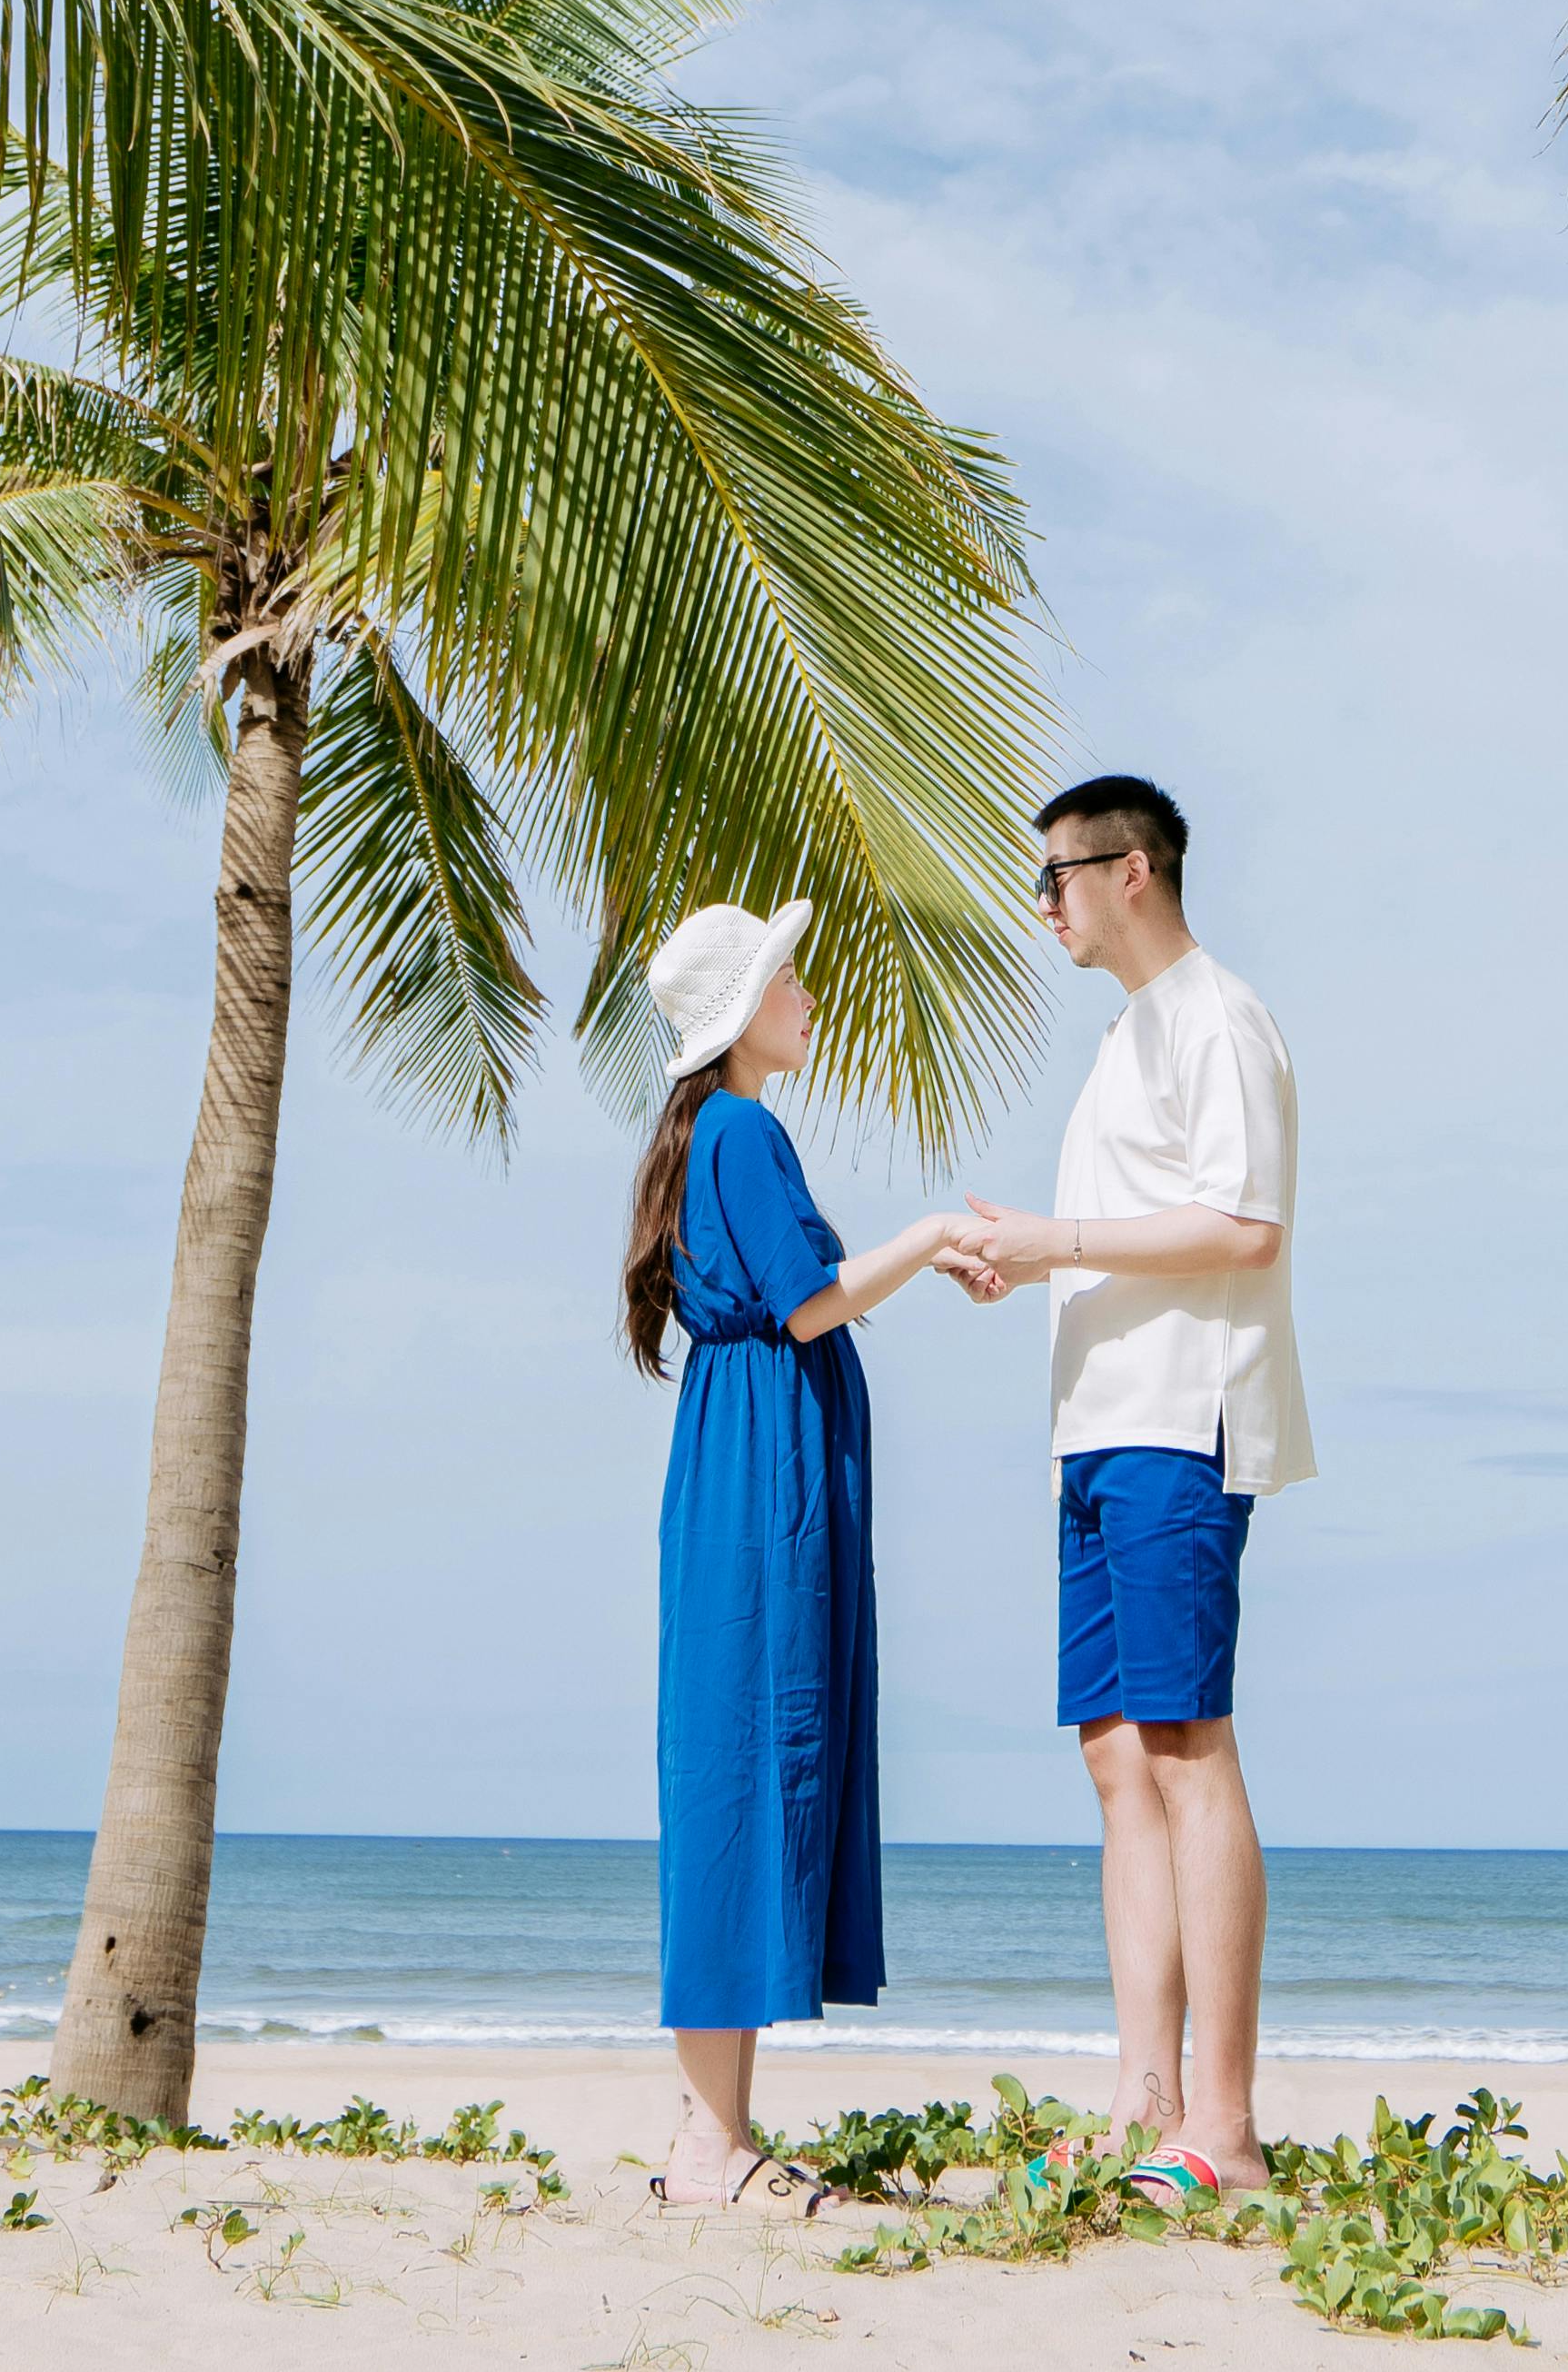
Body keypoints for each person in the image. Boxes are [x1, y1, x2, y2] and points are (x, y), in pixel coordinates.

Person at [958, 773, 1308, 2204]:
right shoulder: (1128, 1040)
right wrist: (1038, 1256)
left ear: (1135, 871)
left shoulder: (1218, 1020)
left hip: (1180, 1423)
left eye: (1058, 877)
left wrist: (1056, 1239)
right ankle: (1142, 2099)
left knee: (1183, 1747)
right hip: (1097, 1433)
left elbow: (1244, 1224)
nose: (1044, 904)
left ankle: (1220, 2130)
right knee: (1115, 1759)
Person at [627, 892, 985, 2210]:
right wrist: (937, 1237)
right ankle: (707, 2140)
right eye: (790, 980)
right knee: (740, 1765)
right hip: (762, 1475)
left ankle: (714, 2130)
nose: (810, 997)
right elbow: (812, 1302)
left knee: (742, 1765)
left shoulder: (716, 1133)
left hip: (752, 1461)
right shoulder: (742, 1128)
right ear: (741, 1017)